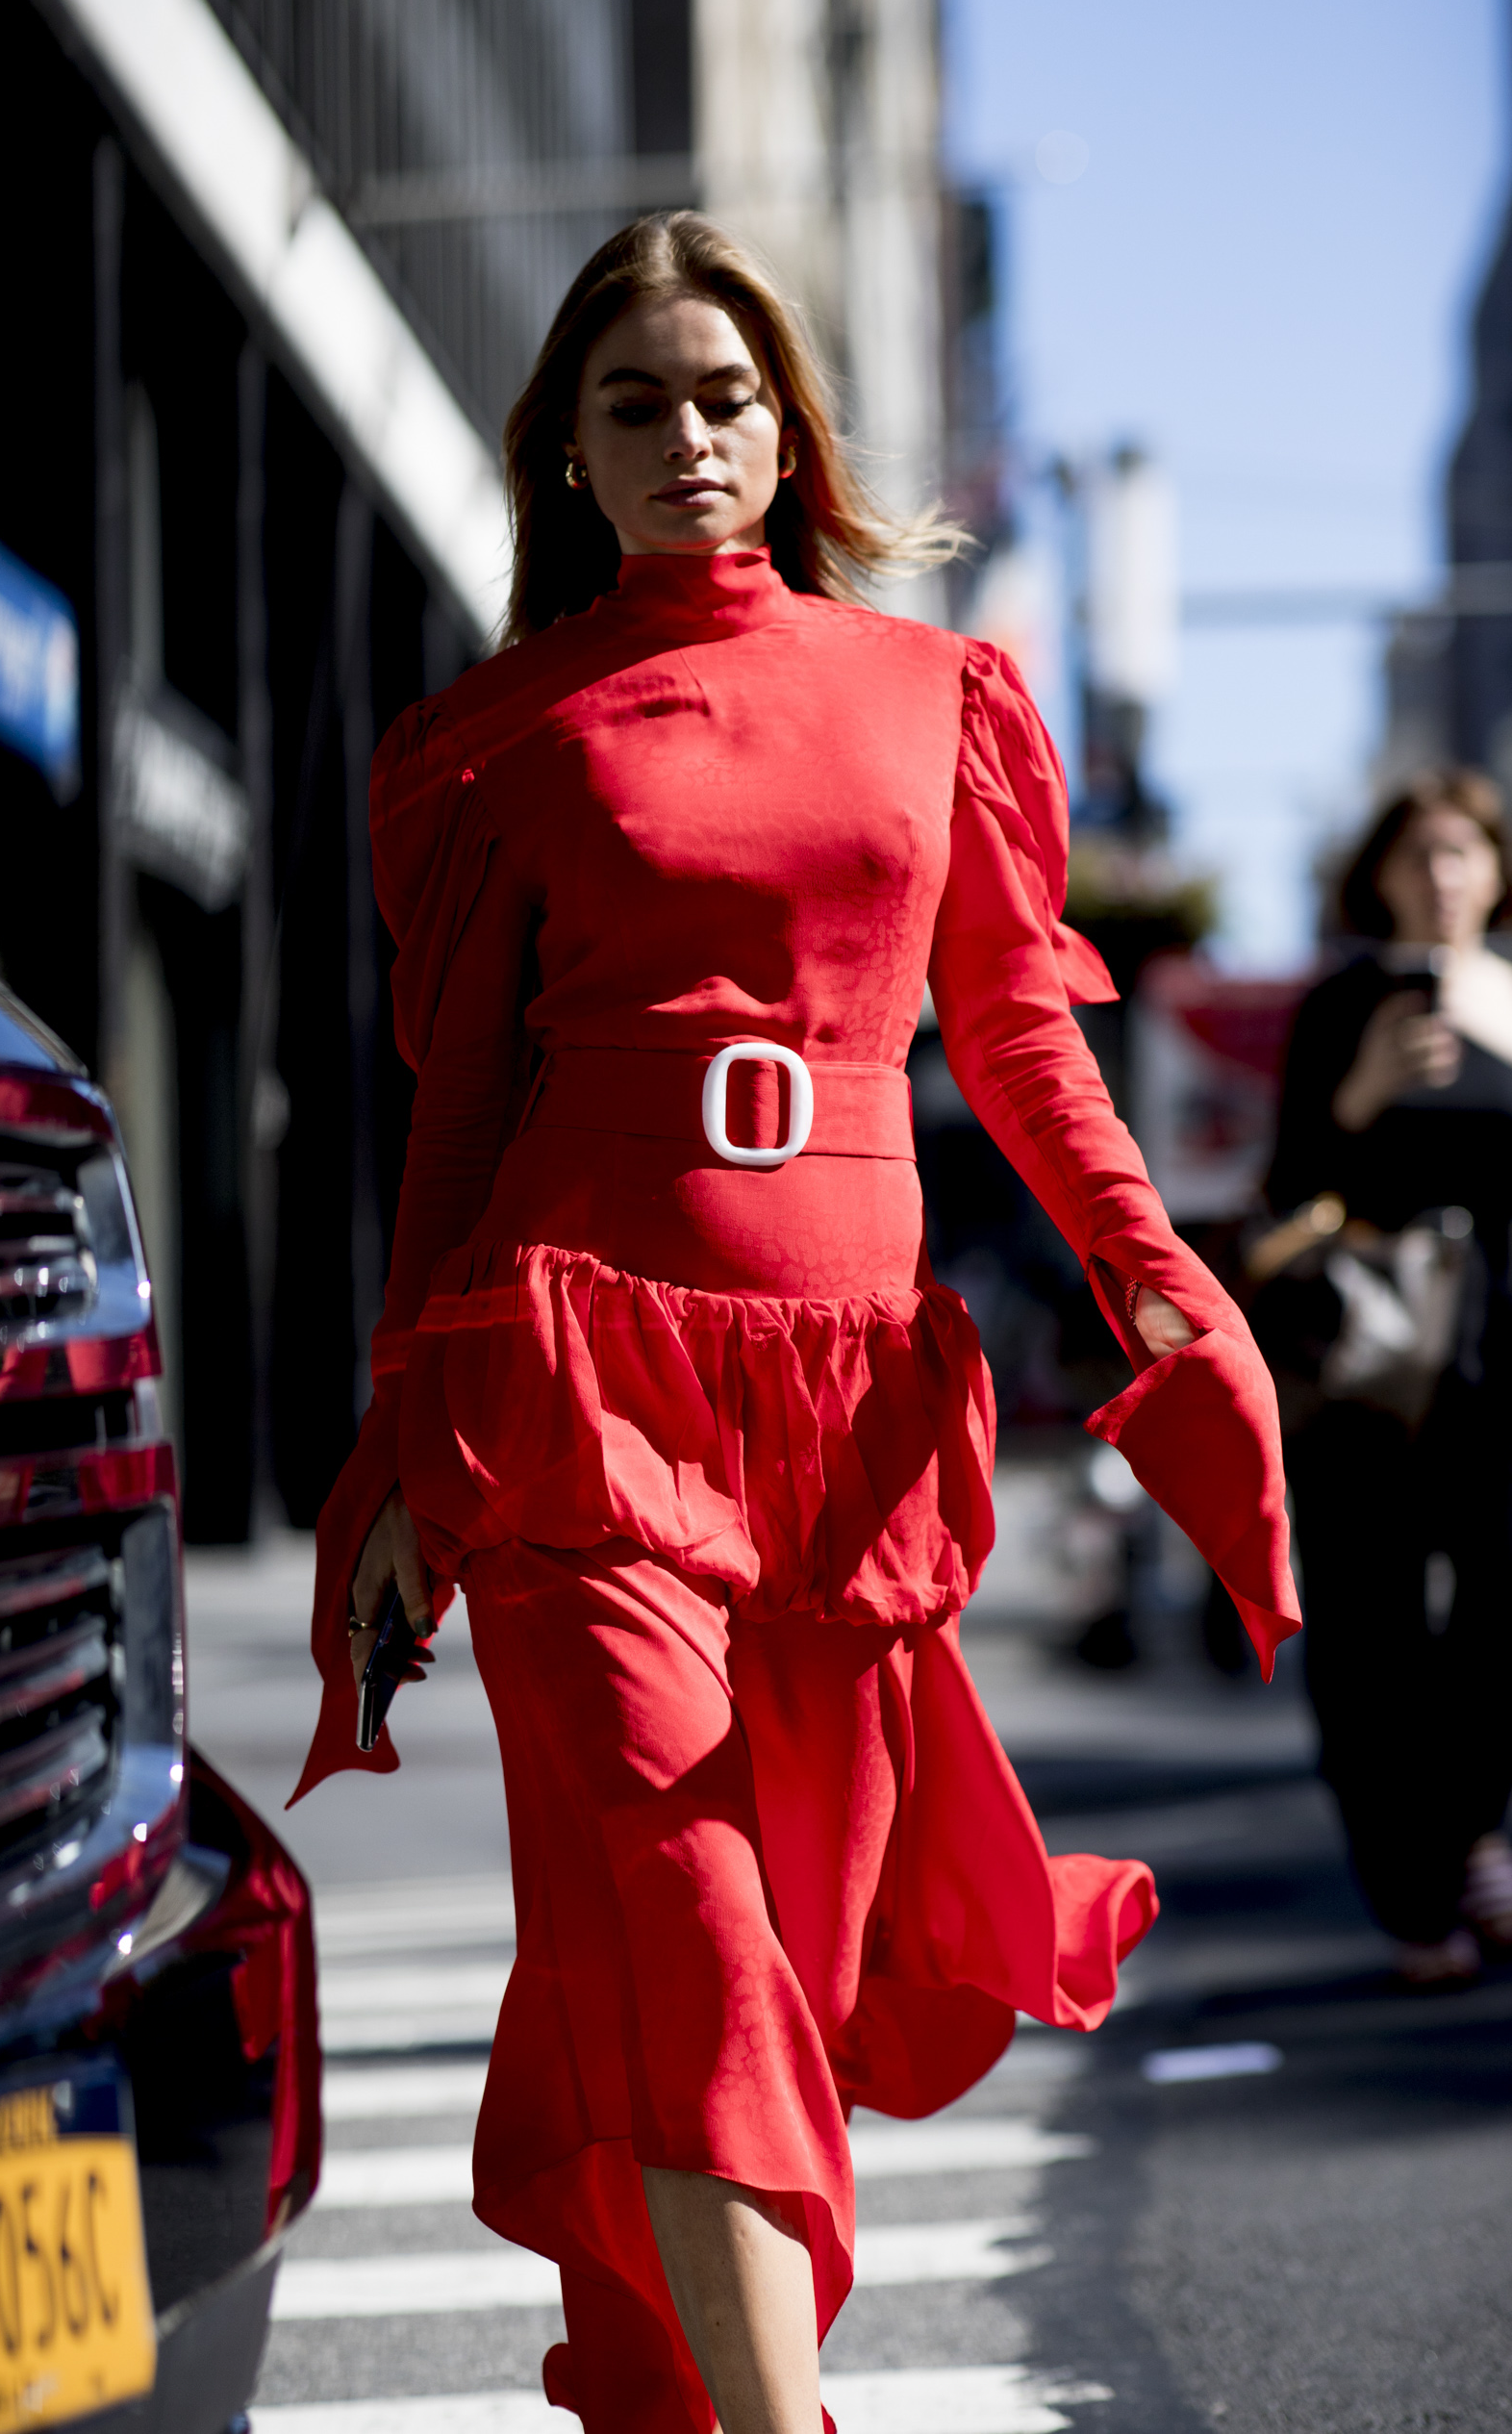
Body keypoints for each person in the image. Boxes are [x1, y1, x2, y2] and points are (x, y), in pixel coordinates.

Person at [290, 213, 1297, 2434]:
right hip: (576, 1384)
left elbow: (1024, 1053)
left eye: (724, 396)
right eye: (631, 401)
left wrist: (1157, 1279)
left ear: (790, 427)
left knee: (786, 1963)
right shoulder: (494, 734)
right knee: (692, 1933)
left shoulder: (929, 694)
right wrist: (393, 1444)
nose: (684, 438)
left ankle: (689, 2391)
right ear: (563, 444)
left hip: (845, 1401)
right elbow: (458, 1114)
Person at [1267, 772, 1512, 1984]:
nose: (1445, 875)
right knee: (1368, 1632)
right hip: (1369, 1357)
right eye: (1421, 855)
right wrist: (1361, 1091)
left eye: (1466, 851)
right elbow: (1284, 1186)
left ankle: (1469, 1834)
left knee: (1495, 1617)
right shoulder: (1344, 1003)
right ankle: (1417, 1901)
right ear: (1380, 875)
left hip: (1499, 1354)